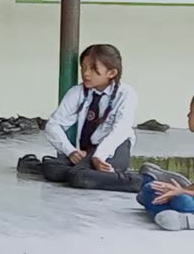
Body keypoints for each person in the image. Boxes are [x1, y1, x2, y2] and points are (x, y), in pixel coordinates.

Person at [16, 44, 141, 193]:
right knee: (52, 168)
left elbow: (120, 130)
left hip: (114, 148)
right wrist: (70, 151)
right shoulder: (78, 92)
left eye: (94, 70)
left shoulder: (126, 94)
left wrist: (99, 156)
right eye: (83, 68)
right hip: (88, 151)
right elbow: (54, 125)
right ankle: (90, 174)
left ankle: (136, 181)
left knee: (79, 177)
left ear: (111, 72)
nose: (86, 74)